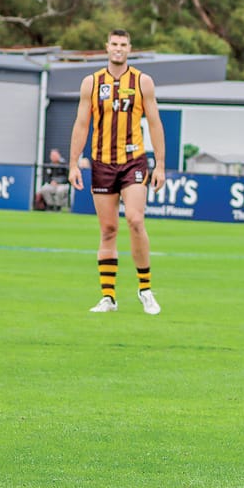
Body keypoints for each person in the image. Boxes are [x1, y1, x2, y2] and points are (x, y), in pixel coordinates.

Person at [68, 29, 166, 315]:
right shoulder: (92, 83)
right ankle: (108, 297)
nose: (118, 48)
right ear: (106, 47)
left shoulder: (142, 82)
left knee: (135, 220)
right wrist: (74, 163)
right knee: (108, 229)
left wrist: (160, 164)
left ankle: (145, 289)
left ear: (130, 48)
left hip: (133, 161)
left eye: (123, 44)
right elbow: (81, 124)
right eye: (114, 44)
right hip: (101, 162)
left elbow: (156, 123)